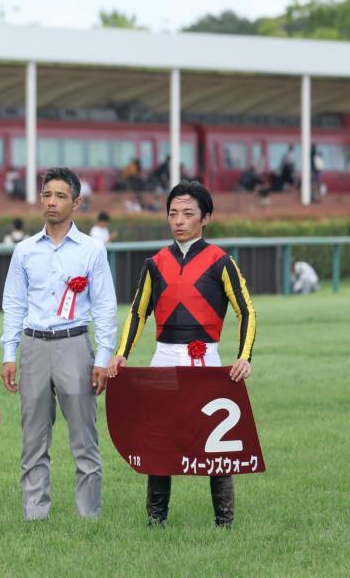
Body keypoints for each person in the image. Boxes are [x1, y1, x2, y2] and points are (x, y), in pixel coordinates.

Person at [108, 181, 256, 528]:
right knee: (159, 441)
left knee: (215, 445)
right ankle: (155, 520)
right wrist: (121, 354)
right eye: (173, 213)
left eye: (188, 214)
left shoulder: (221, 261)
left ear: (206, 217)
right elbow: (137, 312)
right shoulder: (155, 262)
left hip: (206, 361)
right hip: (164, 360)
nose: (179, 220)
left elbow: (246, 311)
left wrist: (244, 356)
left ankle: (225, 522)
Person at [0, 166, 118, 521]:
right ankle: (35, 515)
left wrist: (103, 357)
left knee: (84, 438)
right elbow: (14, 305)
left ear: (76, 202)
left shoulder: (92, 250)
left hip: (75, 345)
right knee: (32, 439)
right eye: (47, 195)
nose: (52, 202)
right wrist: (9, 353)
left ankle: (89, 516)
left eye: (61, 196)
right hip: (34, 346)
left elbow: (104, 307)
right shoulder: (24, 251)